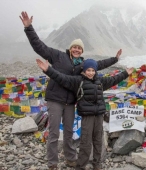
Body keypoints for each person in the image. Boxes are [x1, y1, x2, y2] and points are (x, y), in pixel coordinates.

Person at [19, 11, 123, 170]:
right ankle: (52, 163)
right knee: (54, 132)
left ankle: (70, 158)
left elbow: (98, 65)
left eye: (79, 48)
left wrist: (115, 59)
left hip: (70, 102)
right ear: (70, 48)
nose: (76, 50)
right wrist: (28, 28)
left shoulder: (83, 65)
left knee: (68, 132)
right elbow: (39, 46)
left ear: (82, 51)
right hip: (55, 99)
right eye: (74, 47)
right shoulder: (58, 56)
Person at [36, 58, 134, 170]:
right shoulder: (78, 81)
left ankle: (97, 164)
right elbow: (62, 78)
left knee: (98, 140)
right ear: (84, 71)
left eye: (93, 70)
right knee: (86, 142)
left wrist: (126, 73)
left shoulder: (100, 81)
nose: (91, 73)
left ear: (96, 71)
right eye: (88, 70)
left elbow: (114, 79)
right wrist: (48, 70)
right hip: (87, 116)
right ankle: (81, 166)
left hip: (99, 115)